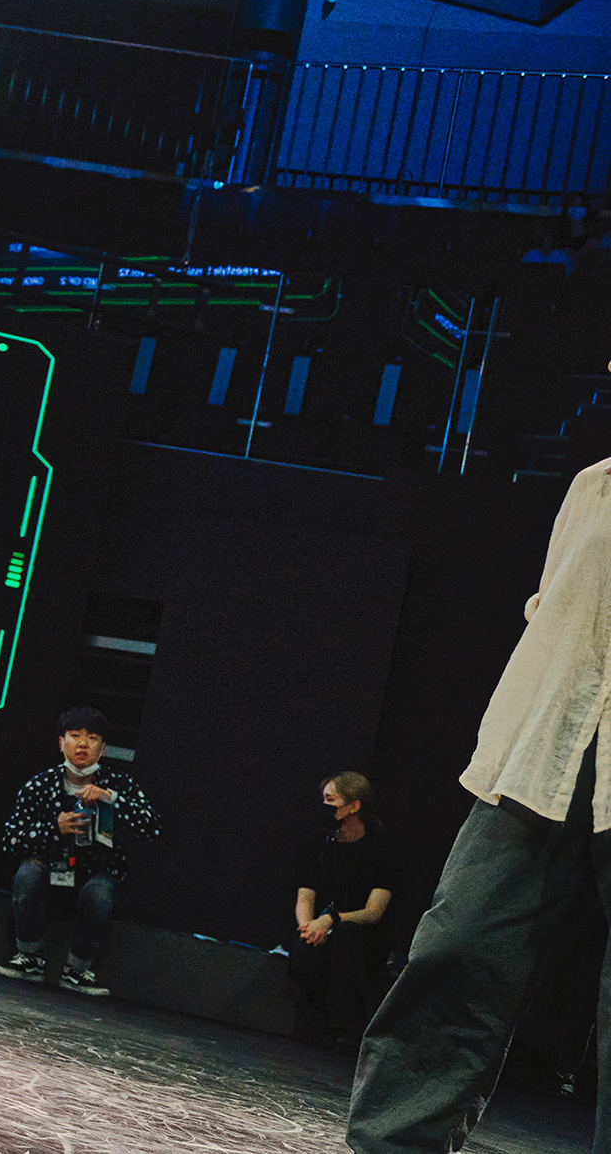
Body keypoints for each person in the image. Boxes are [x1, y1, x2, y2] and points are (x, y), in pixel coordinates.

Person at [348, 452, 611, 1154]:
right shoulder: (596, 485)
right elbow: (550, 611)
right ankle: (396, 1144)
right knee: (459, 947)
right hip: (544, 754)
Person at [0, 707, 161, 997]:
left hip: (95, 874)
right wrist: (53, 828)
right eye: (75, 736)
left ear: (103, 748)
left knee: (101, 891)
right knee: (28, 873)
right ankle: (30, 957)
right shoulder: (40, 784)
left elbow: (152, 829)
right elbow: (10, 840)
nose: (83, 744)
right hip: (50, 871)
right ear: (61, 743)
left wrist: (111, 799)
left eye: (92, 738)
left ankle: (77, 969)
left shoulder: (118, 784)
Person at [290, 772, 393, 1055]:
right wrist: (309, 928)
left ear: (354, 806)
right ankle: (316, 1026)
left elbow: (374, 912)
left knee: (347, 938)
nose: (324, 806)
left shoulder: (380, 849)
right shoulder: (317, 845)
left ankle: (348, 1031)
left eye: (331, 800)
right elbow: (305, 896)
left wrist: (331, 920)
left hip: (362, 934)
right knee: (303, 954)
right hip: (322, 929)